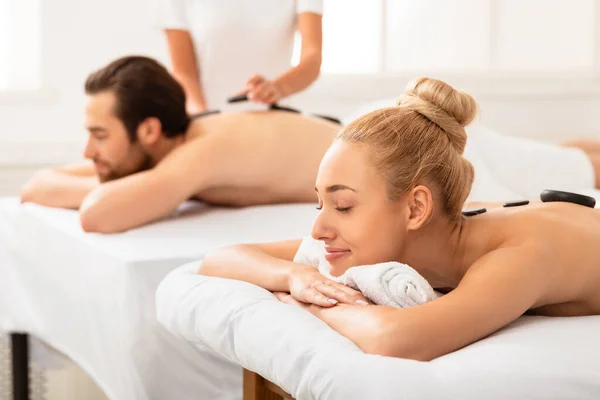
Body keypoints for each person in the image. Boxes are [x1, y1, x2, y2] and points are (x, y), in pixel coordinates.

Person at [197, 77, 600, 361]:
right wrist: (294, 278)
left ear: (415, 209)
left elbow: (397, 339)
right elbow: (224, 257)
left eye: (344, 206)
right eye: (320, 203)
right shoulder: (423, 234)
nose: (318, 229)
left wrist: (310, 305)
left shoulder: (517, 258)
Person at [20, 56, 339, 233]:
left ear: (148, 130)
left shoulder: (203, 150)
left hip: (379, 159)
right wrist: (139, 185)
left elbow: (98, 214)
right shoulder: (167, 149)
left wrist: (137, 189)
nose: (88, 152)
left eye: (100, 136)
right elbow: (36, 186)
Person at [154, 0, 323, 114]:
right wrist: (204, 119)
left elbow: (312, 57)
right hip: (208, 127)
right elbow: (184, 72)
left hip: (274, 127)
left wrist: (278, 88)